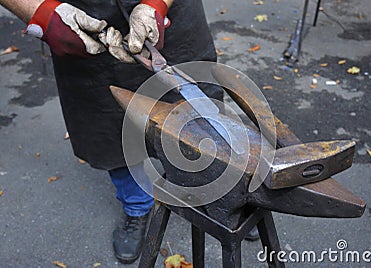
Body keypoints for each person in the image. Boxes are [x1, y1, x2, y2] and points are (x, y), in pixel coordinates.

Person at [0, 0, 224, 264]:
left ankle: (221, 195)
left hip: (172, 21)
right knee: (108, 124)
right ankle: (137, 205)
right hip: (80, 18)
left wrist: (156, 3)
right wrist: (41, 12)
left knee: (198, 112)